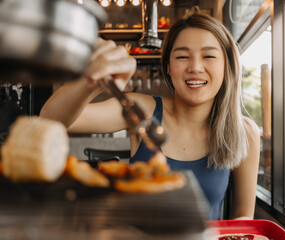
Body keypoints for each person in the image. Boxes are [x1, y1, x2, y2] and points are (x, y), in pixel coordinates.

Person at [40, 13, 260, 220]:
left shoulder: (245, 132)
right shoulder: (141, 110)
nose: (195, 67)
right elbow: (52, 118)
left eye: (209, 56)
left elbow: (242, 216)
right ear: (168, 67)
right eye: (182, 56)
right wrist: (92, 79)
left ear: (227, 66)